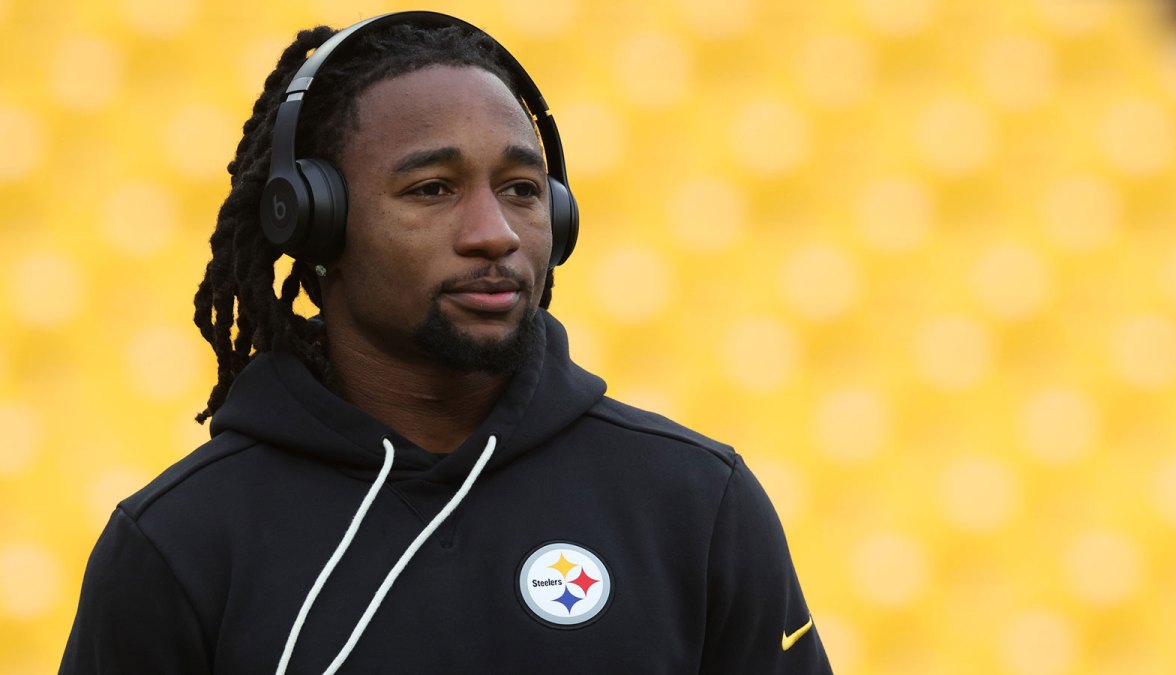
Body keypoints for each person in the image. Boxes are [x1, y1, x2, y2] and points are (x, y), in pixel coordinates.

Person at [59, 11, 833, 674]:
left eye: (521, 190)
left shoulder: (697, 503)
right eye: (432, 189)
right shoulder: (178, 542)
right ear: (316, 221)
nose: (494, 233)